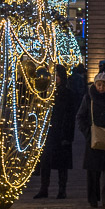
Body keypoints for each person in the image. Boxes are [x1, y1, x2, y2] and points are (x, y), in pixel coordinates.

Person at [76, 72, 105, 209]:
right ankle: (93, 199)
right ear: (94, 84)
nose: (101, 87)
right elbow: (81, 116)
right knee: (93, 171)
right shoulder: (88, 98)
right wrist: (88, 133)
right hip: (93, 138)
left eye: (104, 85)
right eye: (99, 84)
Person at [34, 67, 76, 199]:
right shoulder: (45, 93)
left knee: (62, 163)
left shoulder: (67, 93)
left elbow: (70, 115)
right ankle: (44, 188)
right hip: (48, 132)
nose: (55, 78)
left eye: (57, 76)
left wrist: (67, 135)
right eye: (53, 76)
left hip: (61, 131)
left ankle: (62, 189)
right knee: (45, 161)